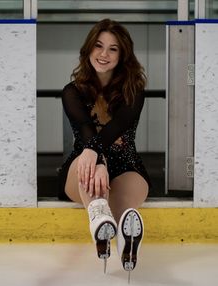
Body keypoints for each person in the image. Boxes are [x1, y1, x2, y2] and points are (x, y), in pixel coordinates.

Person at [59, 18, 151, 273]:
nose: (104, 54)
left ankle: (124, 237)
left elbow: (118, 126)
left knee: (126, 209)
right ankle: (99, 216)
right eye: (99, 46)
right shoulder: (72, 91)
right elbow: (86, 132)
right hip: (83, 165)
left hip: (126, 166)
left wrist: (100, 156)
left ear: (123, 55)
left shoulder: (134, 90)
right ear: (89, 48)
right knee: (88, 168)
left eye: (113, 48)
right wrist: (98, 160)